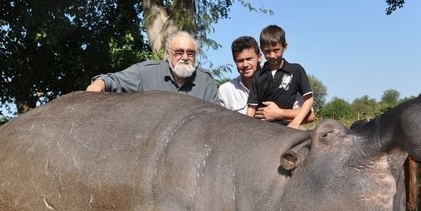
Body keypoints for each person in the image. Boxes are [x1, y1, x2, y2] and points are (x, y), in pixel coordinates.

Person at [86, 31, 219, 103]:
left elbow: (215, 117)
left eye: (190, 53)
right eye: (179, 52)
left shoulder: (206, 80)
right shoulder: (145, 72)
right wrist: (99, 84)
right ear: (167, 54)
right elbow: (114, 80)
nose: (185, 57)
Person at [219, 36, 315, 123]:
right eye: (240, 61)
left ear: (260, 57)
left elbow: (310, 116)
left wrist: (280, 114)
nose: (245, 65)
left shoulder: (287, 78)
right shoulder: (225, 91)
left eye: (249, 59)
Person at [246, 25, 314, 129]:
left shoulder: (296, 70)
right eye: (267, 51)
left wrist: (295, 122)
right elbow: (251, 108)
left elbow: (309, 100)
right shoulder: (258, 76)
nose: (272, 55)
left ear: (285, 47)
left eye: (276, 50)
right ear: (262, 50)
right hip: (261, 129)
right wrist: (247, 128)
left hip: (286, 128)